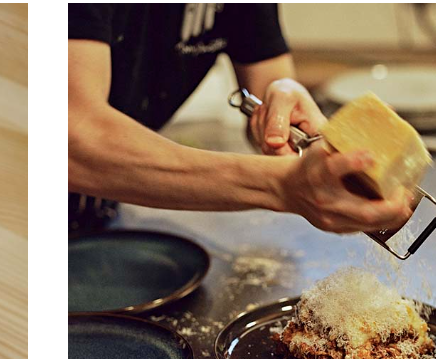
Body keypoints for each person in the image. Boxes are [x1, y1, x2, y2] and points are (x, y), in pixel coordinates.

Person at [69, 4, 413, 234]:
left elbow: (270, 85)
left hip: (104, 214)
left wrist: (285, 105)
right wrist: (280, 185)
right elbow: (72, 137)